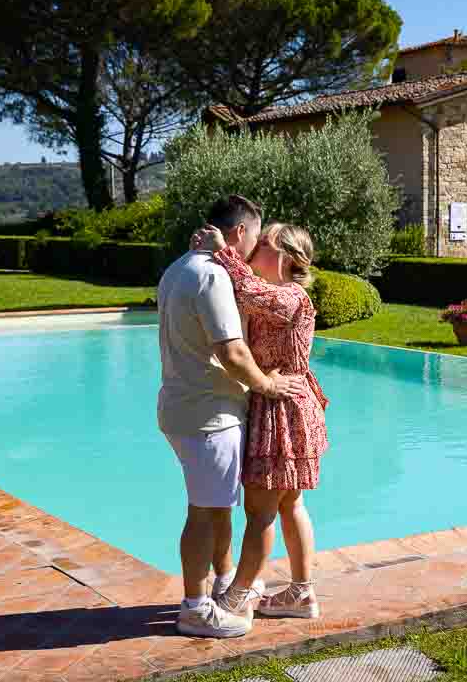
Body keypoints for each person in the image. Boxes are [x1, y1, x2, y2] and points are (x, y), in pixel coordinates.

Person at [156, 195, 300, 639]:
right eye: (256, 237)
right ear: (240, 233)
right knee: (203, 512)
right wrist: (267, 384)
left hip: (184, 407)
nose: (257, 248)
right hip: (209, 414)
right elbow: (232, 351)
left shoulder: (178, 267)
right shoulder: (211, 275)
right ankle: (195, 608)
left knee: (217, 507)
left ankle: (221, 582)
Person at [193, 221, 329, 622]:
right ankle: (301, 594)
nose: (256, 251)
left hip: (282, 411)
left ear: (287, 257)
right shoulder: (276, 296)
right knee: (290, 504)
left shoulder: (293, 298)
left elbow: (246, 289)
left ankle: (235, 598)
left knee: (261, 510)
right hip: (285, 405)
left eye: (265, 245)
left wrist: (223, 251)